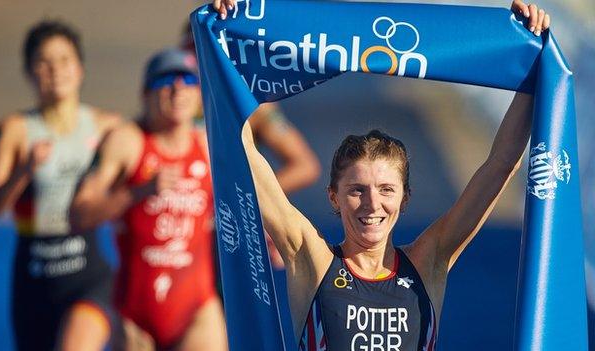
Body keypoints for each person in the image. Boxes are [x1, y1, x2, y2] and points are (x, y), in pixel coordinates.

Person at [213, 0, 550, 349]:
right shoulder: (311, 259)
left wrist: (532, 57)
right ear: (334, 196)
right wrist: (222, 47)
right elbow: (245, 157)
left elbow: (501, 163)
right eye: (358, 189)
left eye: (386, 189)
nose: (372, 204)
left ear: (404, 198)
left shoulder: (428, 261)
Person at [0, 20, 121, 351]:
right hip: (33, 282)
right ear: (29, 72)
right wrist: (23, 171)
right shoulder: (14, 130)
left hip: (89, 277)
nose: (56, 70)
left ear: (80, 69)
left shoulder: (107, 127)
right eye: (44, 61)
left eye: (65, 60)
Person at [69, 48, 227, 351]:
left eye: (187, 80)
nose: (177, 88)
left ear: (197, 94)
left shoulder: (207, 145)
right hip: (136, 315)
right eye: (165, 80)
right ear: (145, 94)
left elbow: (247, 200)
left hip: (197, 310)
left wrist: (264, 230)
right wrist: (138, 191)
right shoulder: (127, 141)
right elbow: (78, 215)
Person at [180, 21, 322, 268]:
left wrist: (244, 199)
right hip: (181, 227)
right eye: (191, 50)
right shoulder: (170, 101)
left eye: (206, 49)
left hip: (229, 230)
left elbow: (305, 166)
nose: (198, 59)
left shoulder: (251, 105)